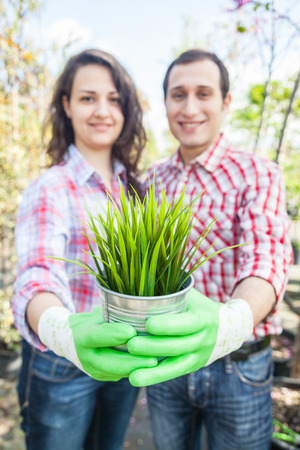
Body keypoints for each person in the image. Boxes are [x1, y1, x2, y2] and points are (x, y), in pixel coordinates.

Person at [127, 49, 293, 449]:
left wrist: (230, 323)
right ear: (165, 102)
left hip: (237, 367)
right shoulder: (152, 180)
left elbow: (267, 256)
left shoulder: (257, 173)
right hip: (168, 365)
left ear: (225, 102)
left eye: (204, 93)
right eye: (178, 94)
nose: (190, 108)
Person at [11, 48, 158, 450]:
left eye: (113, 99)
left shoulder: (136, 190)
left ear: (126, 109)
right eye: (88, 98)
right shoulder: (53, 187)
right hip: (64, 362)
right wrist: (65, 331)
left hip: (124, 358)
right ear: (67, 105)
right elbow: (38, 273)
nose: (102, 111)